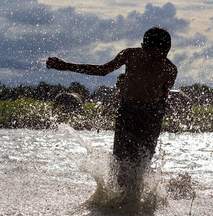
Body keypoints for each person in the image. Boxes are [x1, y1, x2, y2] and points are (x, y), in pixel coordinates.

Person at [46, 27, 177, 199]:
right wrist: (66, 66)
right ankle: (121, 201)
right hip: (127, 114)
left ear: (167, 52)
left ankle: (138, 199)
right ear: (142, 47)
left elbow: (162, 97)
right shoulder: (130, 55)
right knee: (120, 162)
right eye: (151, 56)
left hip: (151, 118)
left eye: (160, 57)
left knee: (142, 162)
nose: (154, 61)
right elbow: (102, 70)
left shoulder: (170, 69)